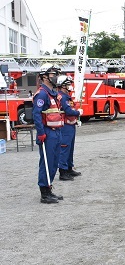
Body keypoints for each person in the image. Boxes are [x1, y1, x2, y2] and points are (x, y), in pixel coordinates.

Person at [32, 63, 64, 204]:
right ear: (45, 77)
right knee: (46, 162)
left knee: (54, 162)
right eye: (53, 74)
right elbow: (37, 115)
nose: (56, 77)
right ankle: (44, 193)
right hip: (47, 133)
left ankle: (49, 189)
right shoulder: (42, 94)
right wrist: (40, 133)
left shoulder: (53, 93)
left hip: (56, 132)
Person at [56, 75, 83, 181]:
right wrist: (77, 112)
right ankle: (63, 172)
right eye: (68, 84)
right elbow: (68, 110)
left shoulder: (66, 96)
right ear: (63, 85)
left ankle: (69, 168)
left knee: (70, 148)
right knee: (65, 147)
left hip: (70, 125)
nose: (70, 86)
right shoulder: (62, 97)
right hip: (65, 126)